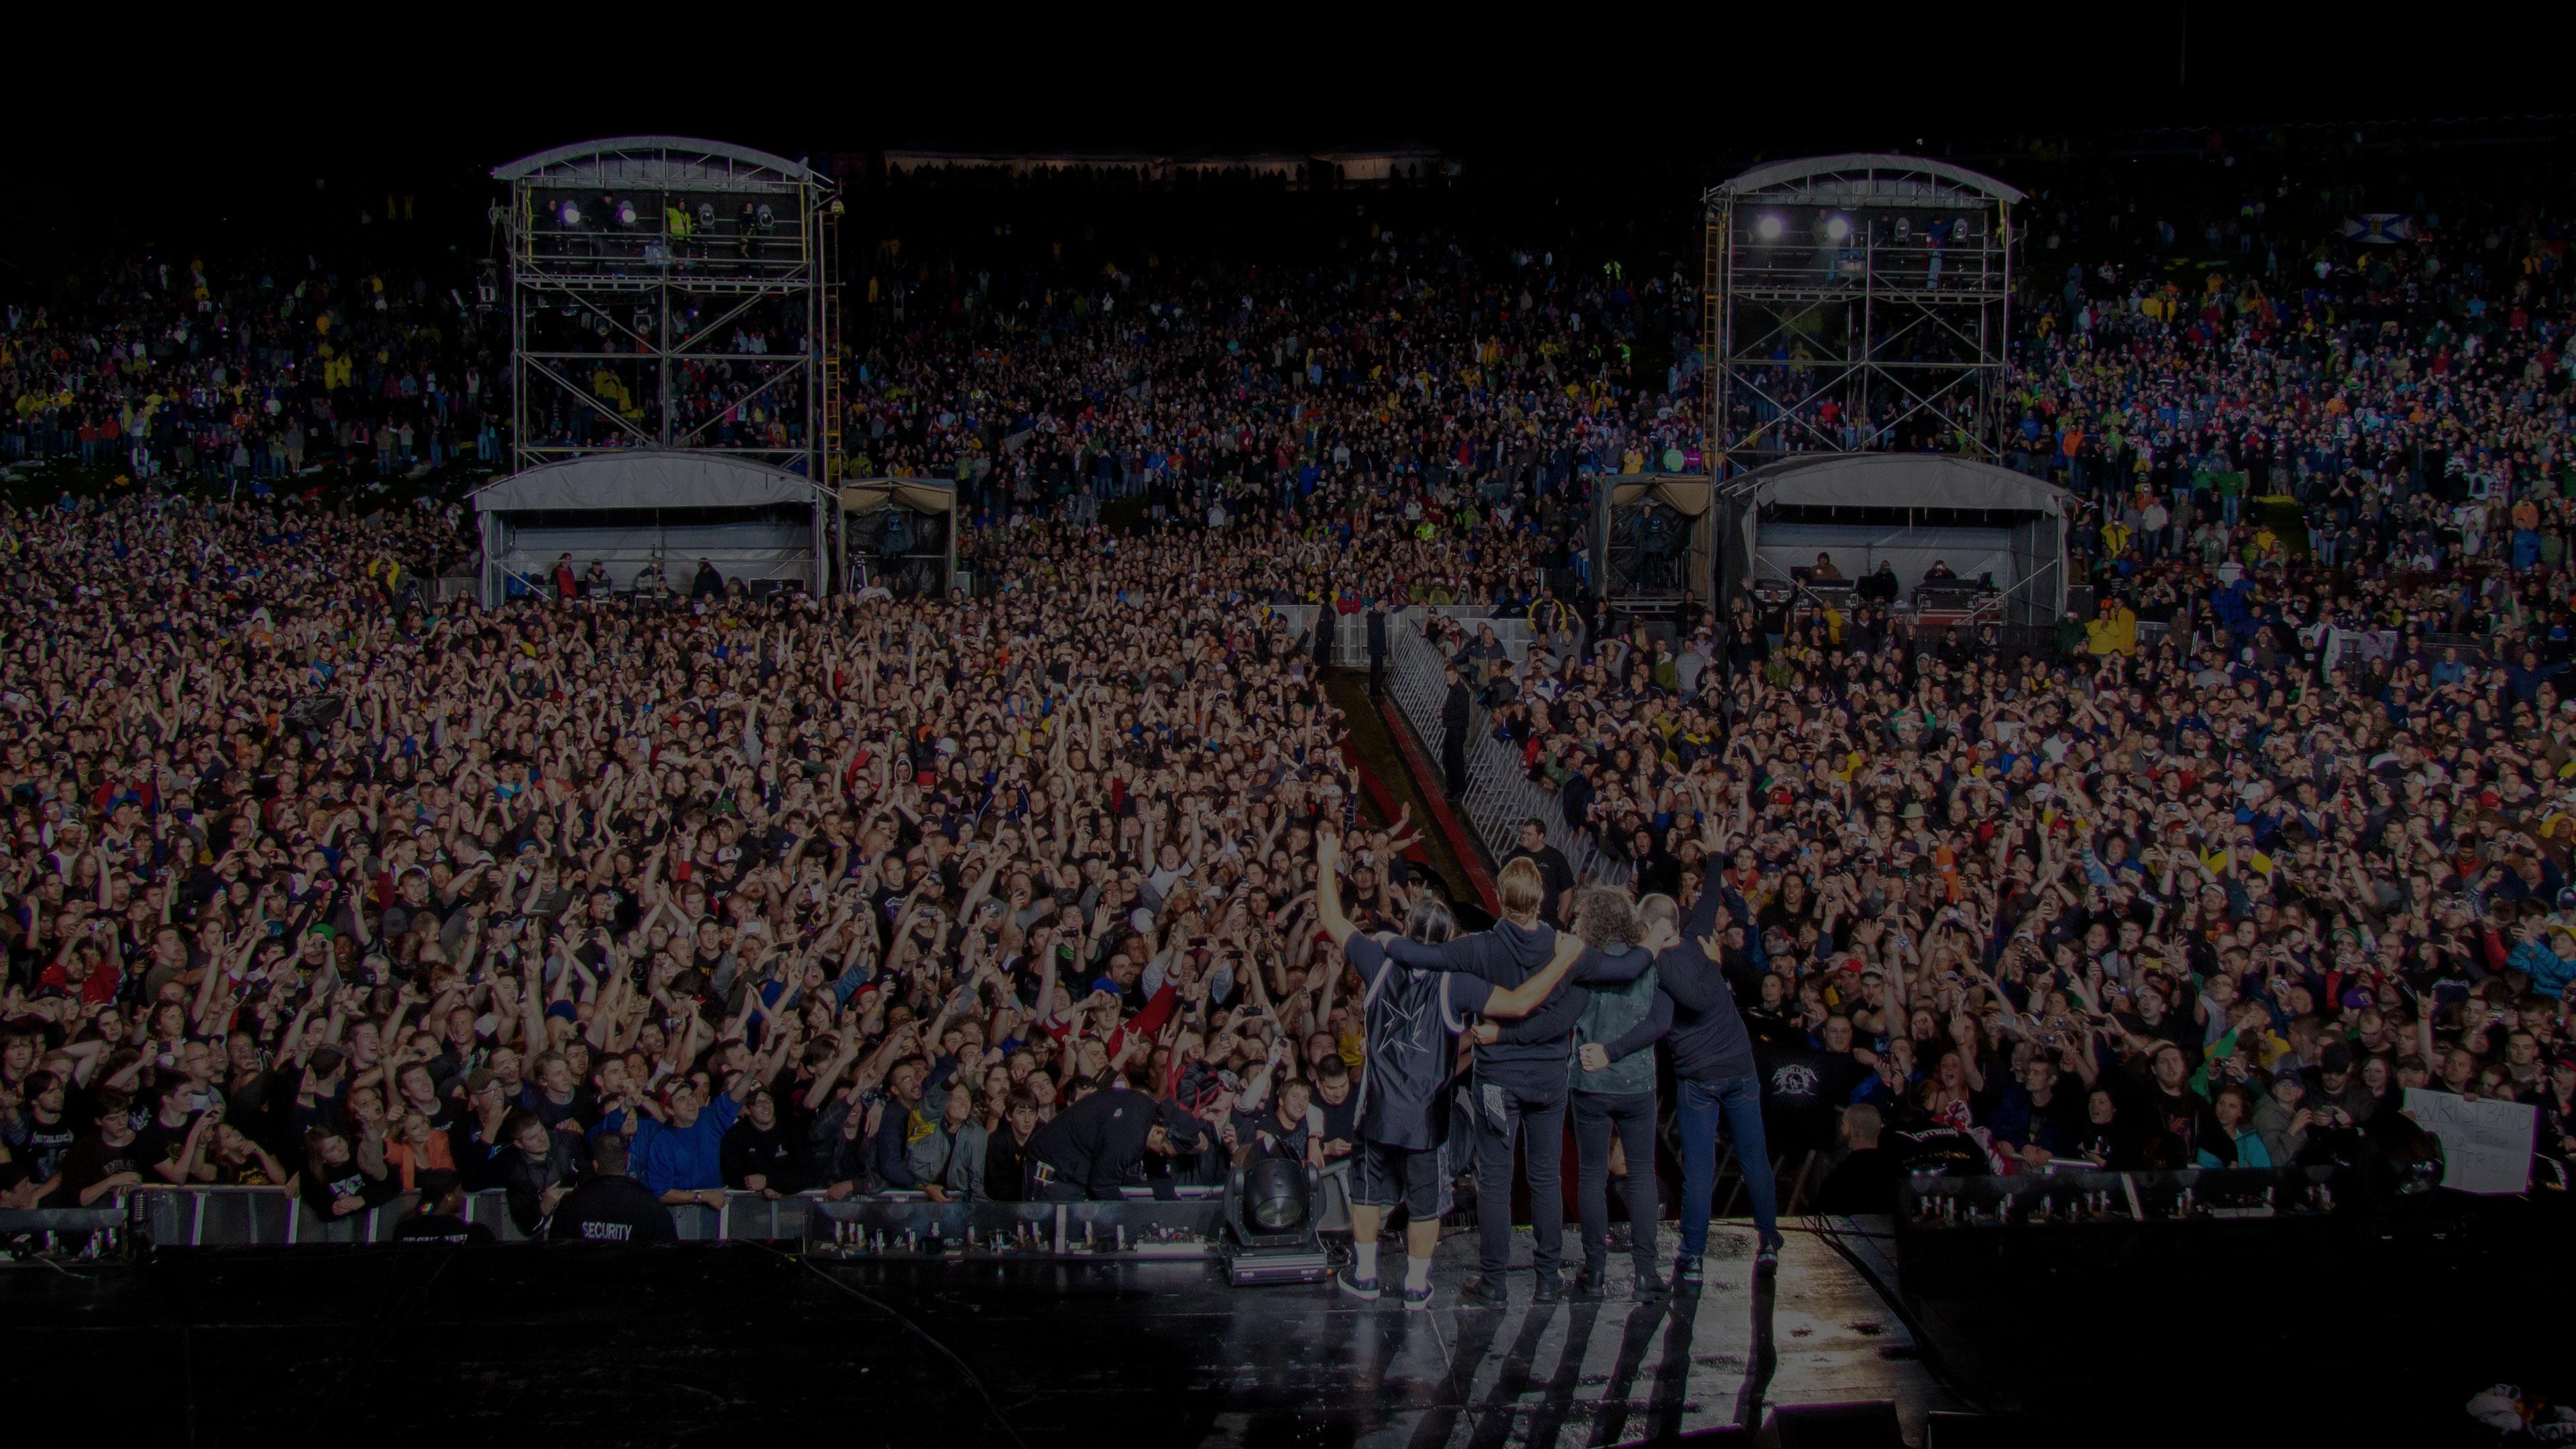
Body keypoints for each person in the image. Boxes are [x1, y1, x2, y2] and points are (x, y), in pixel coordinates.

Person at [1313, 823, 1585, 1311]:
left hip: (1377, 1108)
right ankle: (1417, 1286)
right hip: (1426, 1115)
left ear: (1409, 931)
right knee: (1423, 1201)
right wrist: (1563, 960)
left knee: (1369, 1192)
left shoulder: (1379, 961)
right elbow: (1523, 1003)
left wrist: (1326, 861)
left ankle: (1368, 1274)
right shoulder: (1455, 983)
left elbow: (1332, 918)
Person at [1585, 887, 1784, 1279]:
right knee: (1754, 1159)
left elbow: (1686, 1006)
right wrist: (1713, 856)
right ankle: (1768, 1242)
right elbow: (1708, 904)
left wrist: (1611, 1051)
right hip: (1740, 1069)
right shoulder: (1697, 938)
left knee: (1699, 1169)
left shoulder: (1659, 967)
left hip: (1701, 1080)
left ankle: (1693, 1255)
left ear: (1650, 926)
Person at [1025, 1074, 1212, 1201]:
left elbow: (1157, 1170)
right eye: (1164, 1150)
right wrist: (1129, 1217)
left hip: (1072, 1175)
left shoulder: (1151, 1118)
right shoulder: (1127, 1136)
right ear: (1158, 1133)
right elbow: (1102, 1186)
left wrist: (1173, 1209)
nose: (1162, 1155)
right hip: (1052, 1177)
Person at [549, 1134, 677, 1244]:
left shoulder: (570, 1205)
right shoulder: (651, 1206)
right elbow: (667, 1255)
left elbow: (557, 1253)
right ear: (628, 1160)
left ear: (595, 1165)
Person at [1813, 1104, 1897, 1216]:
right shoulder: (1895, 1168)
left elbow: (1817, 1211)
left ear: (1853, 1130)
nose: (1841, 1128)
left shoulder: (1843, 1174)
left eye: (1844, 1124)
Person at [392, 1168, 496, 1244]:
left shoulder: (404, 1231)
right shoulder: (476, 1234)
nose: (463, 1196)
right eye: (460, 1191)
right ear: (449, 1197)